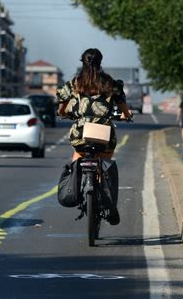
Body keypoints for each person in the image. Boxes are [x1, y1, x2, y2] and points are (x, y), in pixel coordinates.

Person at [56, 48, 132, 225]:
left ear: (82, 62)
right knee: (105, 164)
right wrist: (125, 116)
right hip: (104, 134)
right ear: (101, 62)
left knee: (77, 158)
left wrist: (65, 113)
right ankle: (109, 203)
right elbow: (125, 112)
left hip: (80, 135)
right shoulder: (111, 84)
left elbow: (61, 109)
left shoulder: (74, 83)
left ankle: (75, 183)